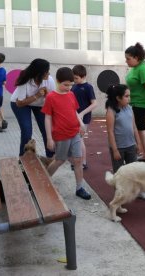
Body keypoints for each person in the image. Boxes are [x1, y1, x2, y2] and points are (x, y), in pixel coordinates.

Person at [42, 67, 91, 200]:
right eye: (65, 85)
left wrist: (81, 124)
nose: (68, 87)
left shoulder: (71, 94)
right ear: (57, 81)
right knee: (60, 160)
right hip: (61, 135)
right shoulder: (51, 97)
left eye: (71, 85)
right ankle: (43, 181)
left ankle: (79, 187)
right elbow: (47, 118)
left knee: (78, 160)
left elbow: (74, 111)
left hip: (74, 132)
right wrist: (49, 138)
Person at [105, 84, 145, 201]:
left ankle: (138, 191)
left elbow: (134, 127)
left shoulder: (129, 108)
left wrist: (138, 143)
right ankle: (118, 197)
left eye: (129, 96)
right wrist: (114, 150)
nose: (129, 98)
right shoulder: (111, 111)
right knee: (119, 174)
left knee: (135, 171)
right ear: (118, 98)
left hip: (130, 146)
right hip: (118, 148)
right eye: (126, 96)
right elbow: (110, 132)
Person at [11, 58, 55, 158]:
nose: (48, 73)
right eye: (46, 71)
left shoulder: (49, 80)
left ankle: (51, 156)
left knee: (46, 128)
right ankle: (24, 158)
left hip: (39, 105)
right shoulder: (25, 80)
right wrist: (37, 95)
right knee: (27, 130)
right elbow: (20, 103)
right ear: (38, 73)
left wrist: (48, 96)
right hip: (20, 104)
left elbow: (53, 100)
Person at [125, 42, 145, 164]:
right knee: (137, 129)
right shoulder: (135, 67)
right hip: (133, 103)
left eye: (128, 58)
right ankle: (143, 153)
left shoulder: (143, 68)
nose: (126, 61)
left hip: (141, 105)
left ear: (136, 58)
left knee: (141, 128)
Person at [71, 65, 97, 170]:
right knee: (75, 140)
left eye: (76, 78)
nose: (74, 80)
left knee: (79, 139)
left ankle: (83, 162)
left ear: (83, 76)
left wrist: (81, 114)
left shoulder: (88, 87)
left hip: (83, 119)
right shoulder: (73, 86)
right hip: (73, 117)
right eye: (74, 77)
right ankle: (77, 161)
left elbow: (94, 104)